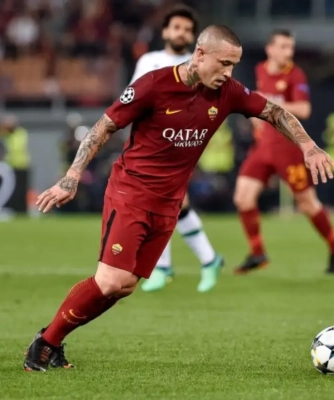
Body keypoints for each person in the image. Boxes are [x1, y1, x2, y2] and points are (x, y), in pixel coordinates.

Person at [23, 25, 334, 372]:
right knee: (109, 280)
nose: (229, 73)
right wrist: (71, 177)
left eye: (234, 66)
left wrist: (309, 146)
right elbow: (103, 127)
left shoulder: (228, 92)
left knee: (123, 287)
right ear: (200, 55)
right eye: (224, 63)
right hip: (130, 193)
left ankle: (52, 340)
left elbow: (274, 112)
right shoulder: (153, 85)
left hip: (169, 203)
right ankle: (45, 344)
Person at [233, 29, 334, 275]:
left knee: (306, 203)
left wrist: (271, 103)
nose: (289, 52)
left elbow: (304, 109)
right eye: (283, 47)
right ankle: (257, 252)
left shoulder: (295, 75)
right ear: (270, 49)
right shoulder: (260, 70)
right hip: (262, 146)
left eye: (291, 47)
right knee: (243, 197)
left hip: (287, 148)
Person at [131, 5, 224, 294]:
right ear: (165, 32)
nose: (181, 33)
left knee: (163, 203)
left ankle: (166, 267)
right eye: (176, 27)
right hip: (151, 143)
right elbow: (133, 97)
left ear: (193, 37)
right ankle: (206, 260)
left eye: (186, 29)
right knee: (169, 204)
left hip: (181, 143)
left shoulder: (199, 65)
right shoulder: (149, 61)